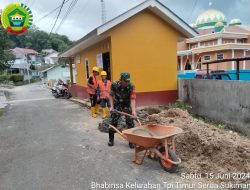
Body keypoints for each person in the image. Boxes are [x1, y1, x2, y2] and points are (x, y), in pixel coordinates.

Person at [108, 72, 136, 148]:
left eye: (128, 81)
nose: (128, 82)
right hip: (117, 103)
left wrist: (133, 111)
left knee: (130, 122)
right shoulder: (114, 85)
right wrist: (112, 107)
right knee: (113, 120)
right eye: (126, 81)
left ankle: (131, 141)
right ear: (121, 80)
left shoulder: (131, 86)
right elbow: (110, 95)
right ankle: (111, 139)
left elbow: (133, 99)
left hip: (126, 104)